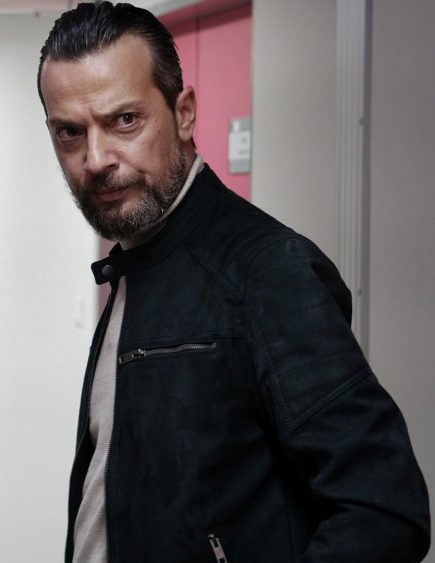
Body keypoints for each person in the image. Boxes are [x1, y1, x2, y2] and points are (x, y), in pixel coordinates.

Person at [37, 3, 430, 562]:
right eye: (70, 133)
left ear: (185, 113)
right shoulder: (135, 264)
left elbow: (384, 510)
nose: (96, 159)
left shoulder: (267, 271)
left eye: (125, 120)